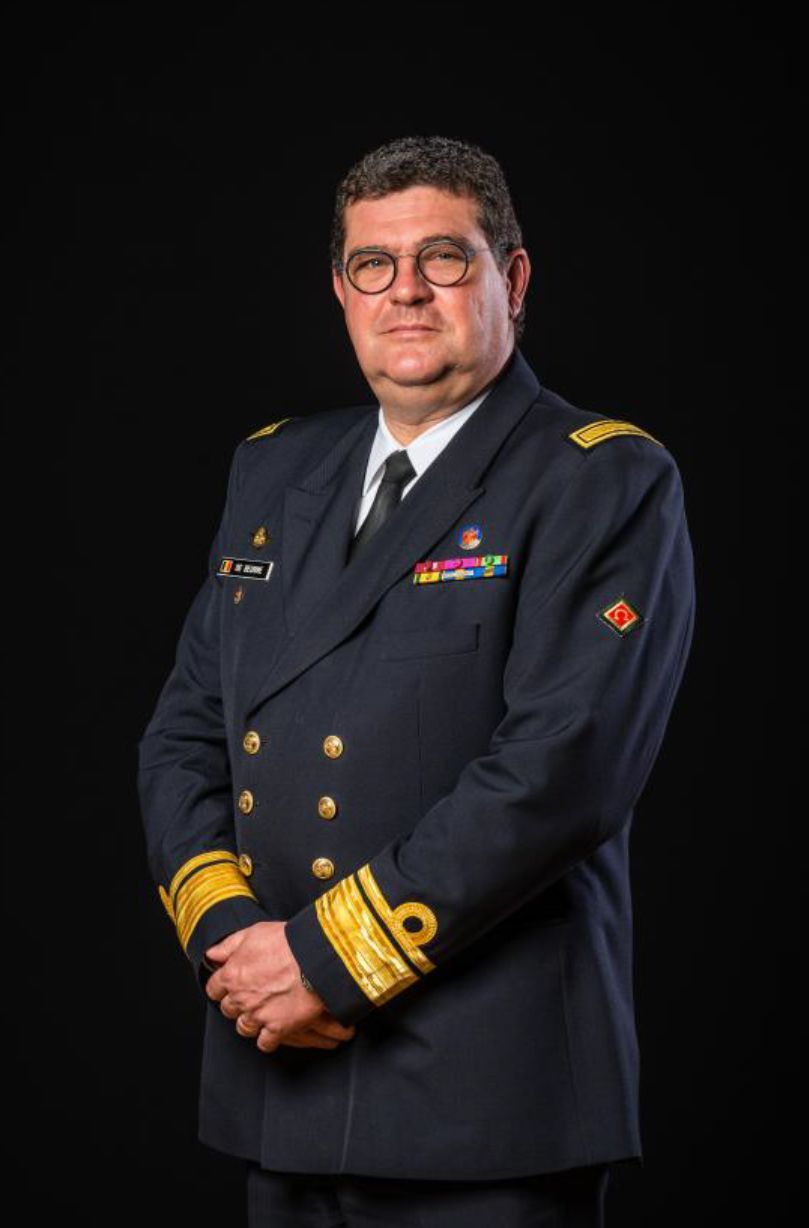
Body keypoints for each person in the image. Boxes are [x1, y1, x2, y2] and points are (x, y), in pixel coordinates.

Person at [137, 134, 696, 1228]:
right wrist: (233, 946)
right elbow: (183, 735)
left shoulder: (600, 477)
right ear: (340, 290)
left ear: (510, 279)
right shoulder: (275, 467)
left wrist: (320, 962)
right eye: (372, 264)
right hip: (279, 1066)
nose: (404, 291)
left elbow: (562, 773)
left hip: (482, 1098)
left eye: (442, 258)